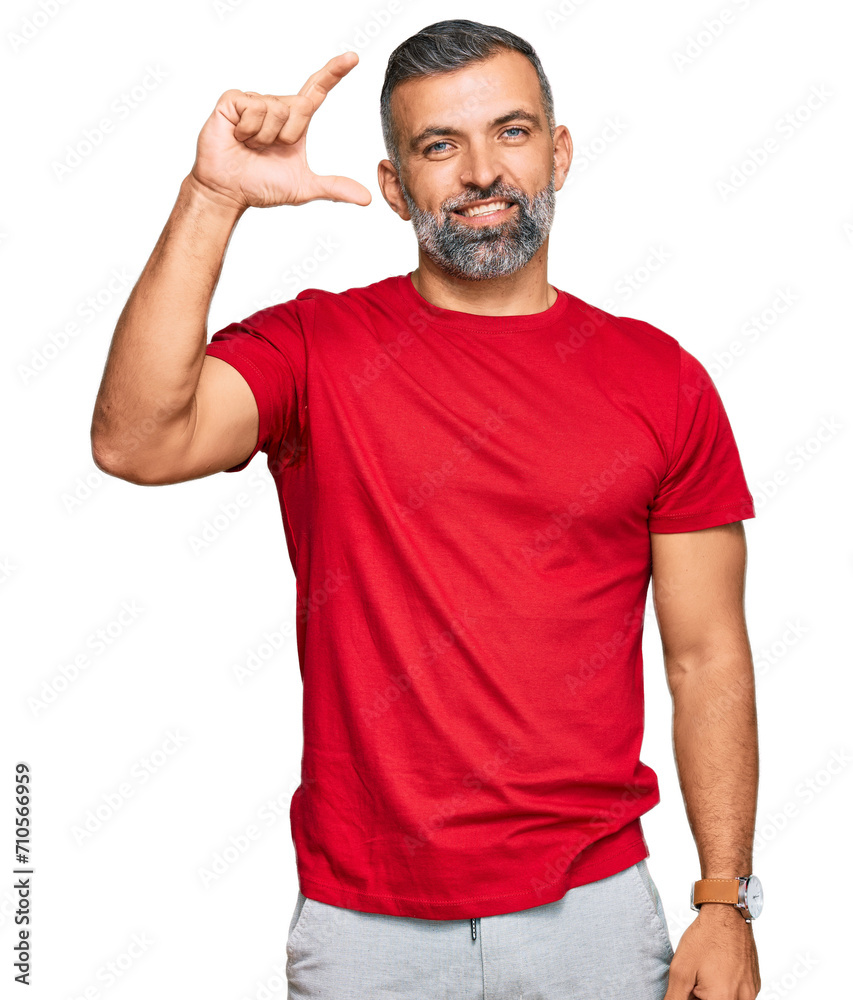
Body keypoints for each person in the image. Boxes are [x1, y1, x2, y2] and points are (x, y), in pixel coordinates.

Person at [90, 18, 762, 1000]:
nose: (482, 169)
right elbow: (136, 440)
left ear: (560, 151)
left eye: (513, 132)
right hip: (367, 925)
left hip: (593, 911)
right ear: (397, 186)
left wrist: (723, 898)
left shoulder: (660, 379)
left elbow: (706, 654)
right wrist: (214, 196)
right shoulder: (315, 346)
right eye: (439, 146)